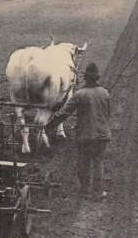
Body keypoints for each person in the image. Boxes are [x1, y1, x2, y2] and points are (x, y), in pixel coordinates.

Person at [45, 61, 112, 201]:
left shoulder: (79, 95)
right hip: (102, 135)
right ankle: (97, 193)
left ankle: (85, 190)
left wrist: (49, 125)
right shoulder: (105, 93)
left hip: (85, 135)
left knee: (84, 161)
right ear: (97, 78)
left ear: (86, 78)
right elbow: (107, 114)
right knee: (98, 162)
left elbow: (63, 113)